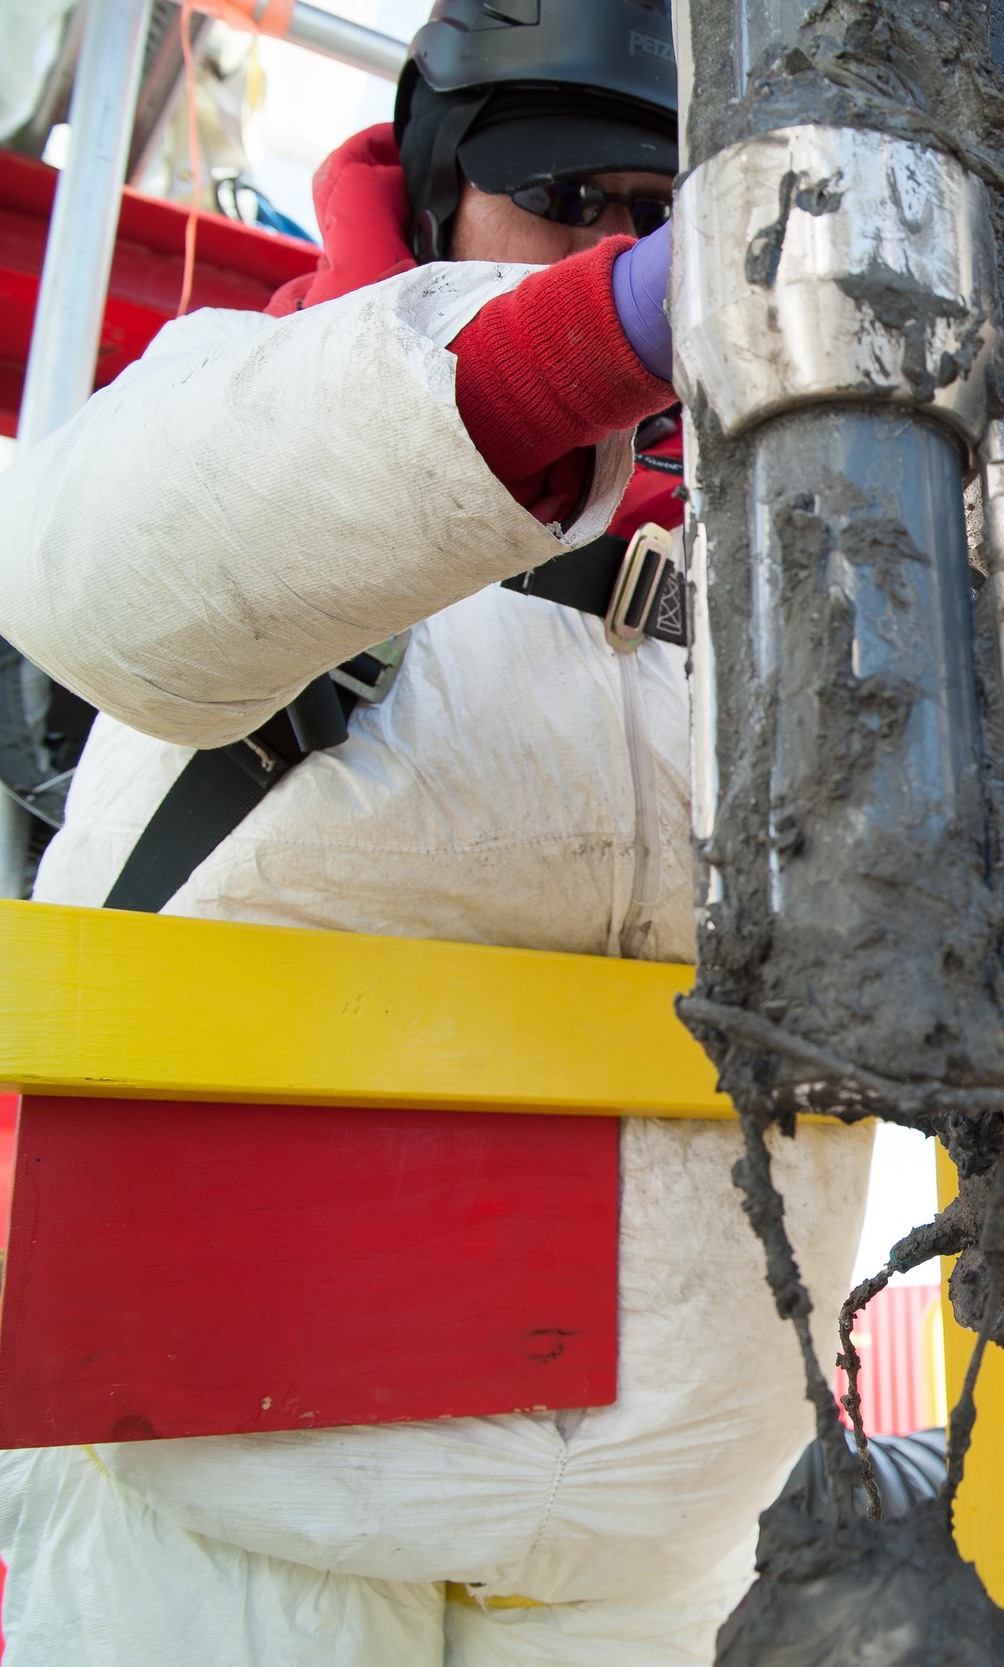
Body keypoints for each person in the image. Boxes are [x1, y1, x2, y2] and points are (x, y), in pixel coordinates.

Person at [0, 1, 872, 1662]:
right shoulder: (249, 407)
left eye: (680, 210)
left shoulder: (812, 602)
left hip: (655, 1565)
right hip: (241, 1538)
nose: (630, 247)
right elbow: (89, 572)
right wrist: (590, 336)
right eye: (574, 201)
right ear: (429, 188)